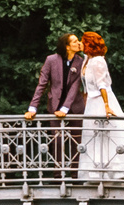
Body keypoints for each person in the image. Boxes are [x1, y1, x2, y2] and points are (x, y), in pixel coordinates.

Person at [76, 31, 124, 182]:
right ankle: (95, 173)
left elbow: (103, 85)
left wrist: (107, 106)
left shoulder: (98, 61)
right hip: (91, 102)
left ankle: (111, 172)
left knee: (106, 135)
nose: (80, 43)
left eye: (82, 41)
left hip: (100, 100)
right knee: (92, 136)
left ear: (89, 44)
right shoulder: (86, 59)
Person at [25, 32, 85, 173]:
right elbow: (42, 85)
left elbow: (75, 88)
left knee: (76, 142)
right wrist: (33, 108)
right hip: (54, 105)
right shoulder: (51, 60)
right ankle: (58, 175)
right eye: (75, 41)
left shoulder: (80, 61)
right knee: (57, 141)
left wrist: (65, 109)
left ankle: (75, 175)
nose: (79, 43)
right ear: (67, 46)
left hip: (75, 106)